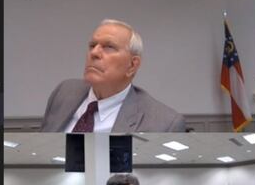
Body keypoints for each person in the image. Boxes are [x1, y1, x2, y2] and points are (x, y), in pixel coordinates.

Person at [41, 19, 186, 133]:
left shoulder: (163, 123)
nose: (94, 53)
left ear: (132, 65)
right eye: (92, 45)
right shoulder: (64, 92)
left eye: (109, 47)